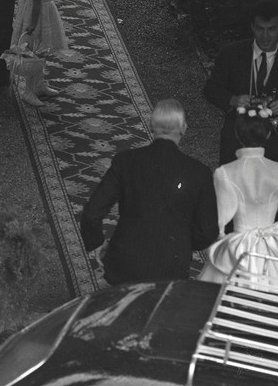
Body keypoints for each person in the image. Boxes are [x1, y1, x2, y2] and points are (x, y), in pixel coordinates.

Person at [79, 99, 218, 285]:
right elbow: (208, 231)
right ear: (183, 128)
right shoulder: (199, 173)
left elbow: (91, 214)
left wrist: (96, 242)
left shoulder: (125, 161)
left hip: (125, 261)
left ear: (152, 125)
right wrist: (181, 242)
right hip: (172, 266)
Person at [198, 111, 278, 292]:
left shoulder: (226, 172)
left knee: (220, 298)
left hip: (239, 246)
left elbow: (217, 219)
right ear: (268, 134)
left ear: (237, 135)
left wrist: (225, 241)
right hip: (274, 244)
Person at [202, 0, 278, 165]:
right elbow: (210, 89)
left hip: (277, 144)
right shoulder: (231, 54)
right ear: (252, 27)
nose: (265, 36)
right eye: (260, 29)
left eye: (271, 29)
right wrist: (233, 100)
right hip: (236, 142)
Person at [8, 0, 68, 107]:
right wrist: (33, 24)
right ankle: (29, 91)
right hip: (36, 16)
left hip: (44, 13)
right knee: (33, 52)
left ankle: (39, 84)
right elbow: (36, 4)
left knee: (42, 51)